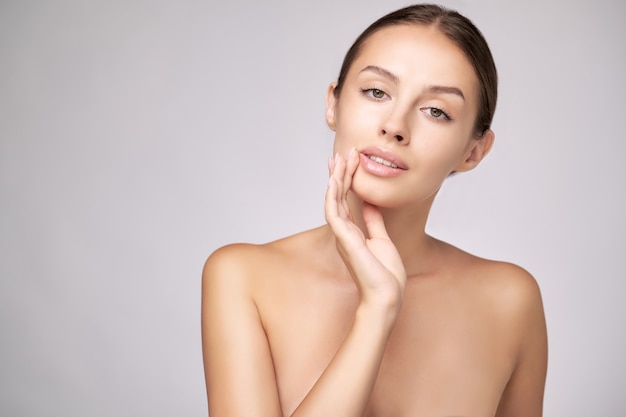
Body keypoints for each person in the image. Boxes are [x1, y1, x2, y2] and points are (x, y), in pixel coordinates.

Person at [201, 4, 548, 417]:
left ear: (474, 151)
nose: (395, 125)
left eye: (436, 111)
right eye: (376, 91)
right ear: (333, 104)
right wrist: (377, 309)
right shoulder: (243, 276)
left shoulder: (508, 301)